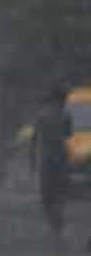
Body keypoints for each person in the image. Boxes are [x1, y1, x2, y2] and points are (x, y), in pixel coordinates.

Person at [32, 85, 72, 236]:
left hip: (47, 157)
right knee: (59, 190)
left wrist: (32, 160)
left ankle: (54, 217)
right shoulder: (66, 115)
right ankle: (57, 215)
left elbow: (35, 138)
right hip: (60, 156)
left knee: (47, 192)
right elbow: (68, 134)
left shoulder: (41, 115)